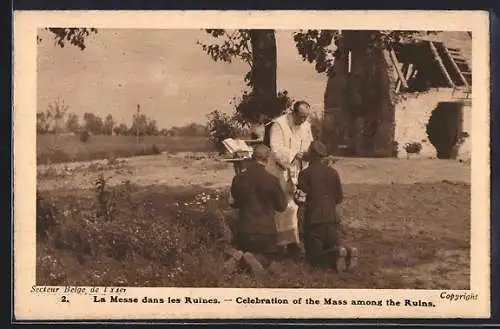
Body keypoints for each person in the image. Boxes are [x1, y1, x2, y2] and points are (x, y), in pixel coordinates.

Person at [295, 140, 358, 272]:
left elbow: (300, 200)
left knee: (314, 258)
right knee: (330, 246)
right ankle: (346, 251)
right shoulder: (333, 173)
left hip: (314, 222)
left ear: (311, 155)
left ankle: (336, 254)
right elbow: (339, 198)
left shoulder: (305, 174)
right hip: (332, 221)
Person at [229, 144, 288, 276]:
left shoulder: (238, 178)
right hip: (266, 233)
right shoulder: (272, 180)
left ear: (252, 157)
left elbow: (233, 204)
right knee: (274, 261)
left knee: (246, 248)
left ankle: (241, 255)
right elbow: (282, 207)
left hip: (245, 231)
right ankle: (254, 258)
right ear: (267, 159)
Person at [265, 100, 314, 258]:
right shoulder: (279, 124)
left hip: (297, 170)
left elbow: (309, 144)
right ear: (292, 113)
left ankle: (292, 242)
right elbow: (276, 148)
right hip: (280, 170)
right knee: (282, 206)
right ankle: (280, 244)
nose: (303, 121)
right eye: (300, 117)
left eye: (306, 117)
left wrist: (308, 154)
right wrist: (293, 155)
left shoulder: (306, 125)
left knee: (294, 207)